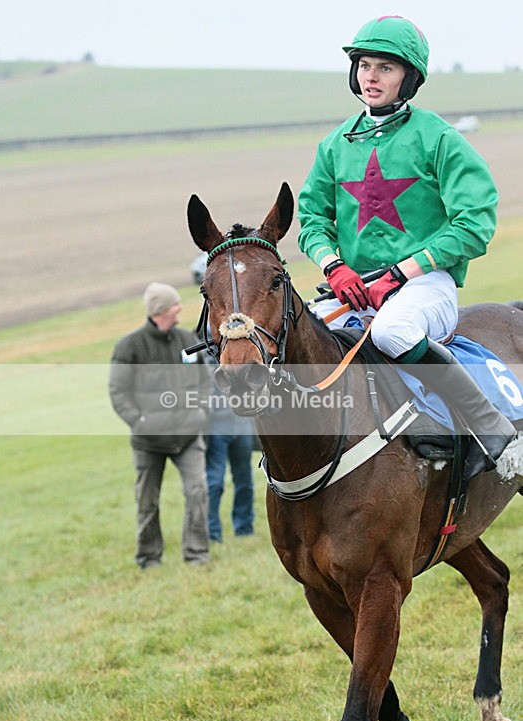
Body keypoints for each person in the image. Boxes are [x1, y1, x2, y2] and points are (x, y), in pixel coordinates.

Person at [297, 14, 515, 481]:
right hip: (352, 289)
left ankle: (489, 429)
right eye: (364, 66)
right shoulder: (334, 145)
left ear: (408, 78)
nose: (371, 77)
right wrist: (334, 267)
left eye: (385, 68)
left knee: (392, 332)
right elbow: (312, 218)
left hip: (426, 285)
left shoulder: (438, 138)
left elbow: (475, 222)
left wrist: (401, 273)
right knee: (292, 338)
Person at [109, 282, 210, 568]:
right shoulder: (130, 347)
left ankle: (197, 555)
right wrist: (139, 422)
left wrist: (199, 410)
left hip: (189, 435)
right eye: (175, 306)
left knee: (197, 492)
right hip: (148, 441)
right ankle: (149, 557)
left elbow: (205, 381)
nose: (180, 310)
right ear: (161, 310)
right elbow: (119, 392)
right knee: (147, 501)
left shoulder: (186, 339)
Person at [205, 373, 256, 543]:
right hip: (216, 428)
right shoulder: (205, 356)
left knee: (245, 481)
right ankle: (212, 533)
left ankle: (244, 527)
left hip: (243, 427)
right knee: (215, 482)